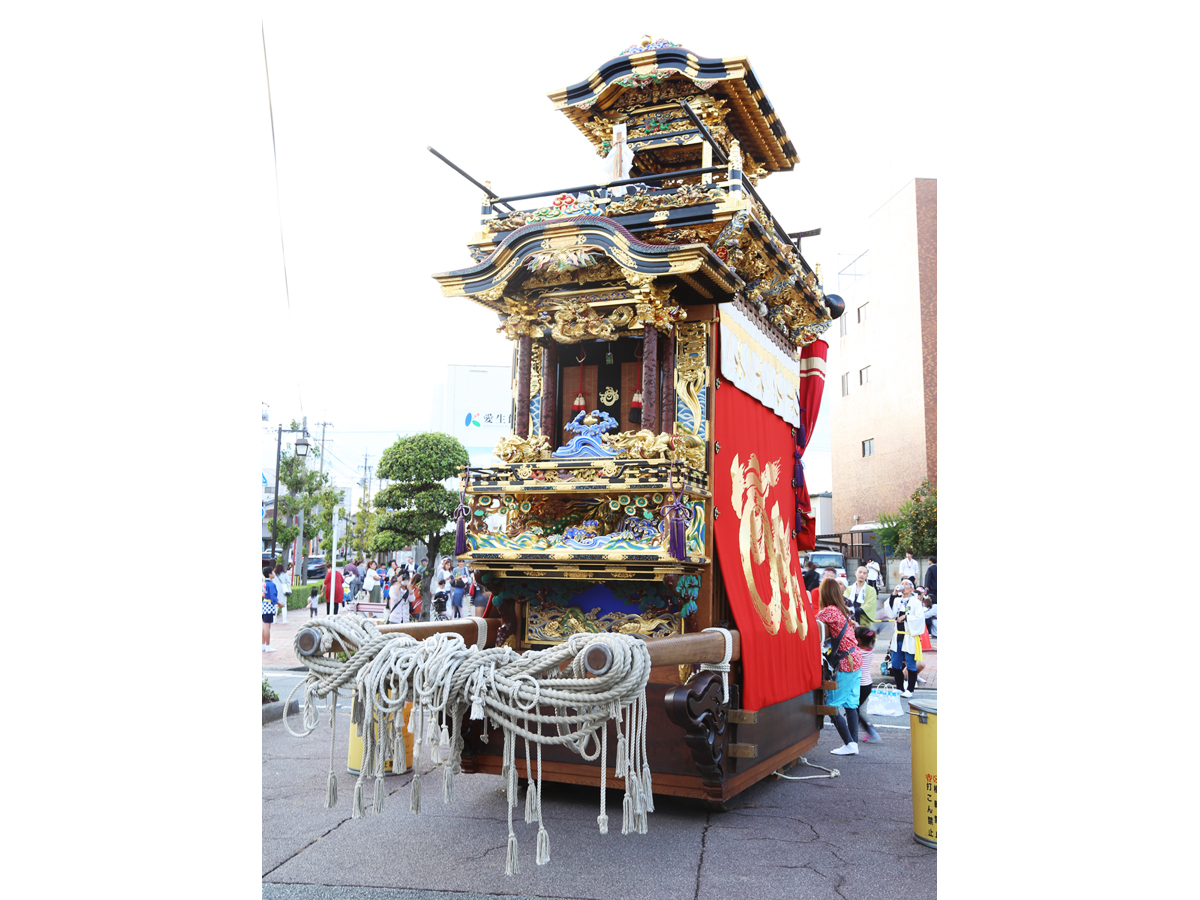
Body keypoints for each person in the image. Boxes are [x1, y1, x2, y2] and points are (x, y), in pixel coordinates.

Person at [816, 579, 863, 755]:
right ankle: (853, 744)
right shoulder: (842, 609)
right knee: (851, 704)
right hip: (856, 657)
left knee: (832, 705)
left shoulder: (828, 611)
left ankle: (850, 744)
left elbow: (807, 625)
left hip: (846, 661)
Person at [885, 580, 925, 697]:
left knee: (910, 663)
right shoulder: (898, 600)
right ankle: (900, 687)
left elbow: (919, 618)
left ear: (912, 589)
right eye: (903, 583)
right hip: (898, 635)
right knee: (895, 663)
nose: (904, 585)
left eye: (907, 584)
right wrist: (893, 593)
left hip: (909, 636)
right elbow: (890, 612)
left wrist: (906, 617)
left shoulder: (916, 602)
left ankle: (910, 689)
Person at [854, 627, 883, 744]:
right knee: (854, 710)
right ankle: (859, 731)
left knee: (854, 711)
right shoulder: (870, 649)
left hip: (860, 686)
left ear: (858, 640)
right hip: (867, 685)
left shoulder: (857, 652)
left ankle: (871, 732)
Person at [262, 564, 278, 652]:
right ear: (269, 574)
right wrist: (279, 603)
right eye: (272, 572)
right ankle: (268, 646)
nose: (274, 573)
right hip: (269, 605)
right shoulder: (271, 584)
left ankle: (263, 645)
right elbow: (273, 597)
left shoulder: (264, 583)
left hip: (264, 604)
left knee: (264, 626)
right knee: (267, 626)